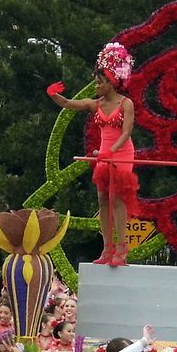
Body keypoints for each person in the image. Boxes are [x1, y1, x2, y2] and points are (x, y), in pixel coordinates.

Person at [46, 42, 136, 266]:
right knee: (102, 199)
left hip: (122, 153)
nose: (95, 86)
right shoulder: (95, 104)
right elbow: (68, 103)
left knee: (117, 198)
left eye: (99, 82)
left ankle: (122, 249)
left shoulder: (127, 104)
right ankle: (107, 248)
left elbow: (126, 133)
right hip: (104, 154)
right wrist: (54, 95)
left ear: (112, 82)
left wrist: (113, 151)